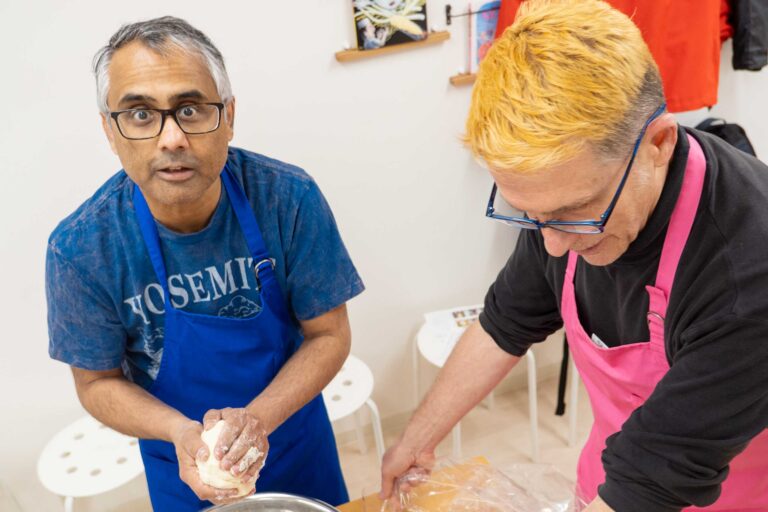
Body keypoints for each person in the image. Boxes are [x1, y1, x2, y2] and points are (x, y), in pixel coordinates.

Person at [380, 1, 768, 510]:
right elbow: (505, 323)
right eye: (529, 215)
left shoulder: (748, 276)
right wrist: (416, 440)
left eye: (576, 212)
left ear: (658, 144)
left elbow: (652, 478)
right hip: (615, 477)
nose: (554, 245)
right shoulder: (561, 202)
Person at [45, 16, 364, 510]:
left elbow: (330, 334)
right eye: (141, 115)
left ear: (229, 115)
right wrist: (180, 433)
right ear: (111, 131)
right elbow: (96, 383)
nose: (171, 138)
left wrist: (256, 422)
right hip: (181, 465)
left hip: (294, 443)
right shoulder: (82, 248)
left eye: (190, 109)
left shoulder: (287, 198)